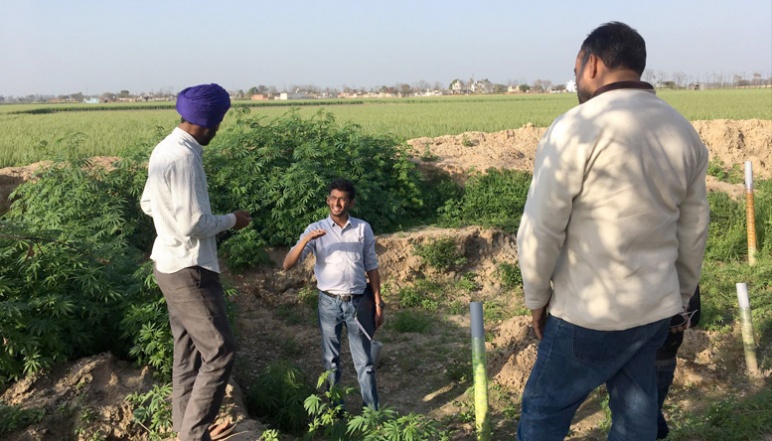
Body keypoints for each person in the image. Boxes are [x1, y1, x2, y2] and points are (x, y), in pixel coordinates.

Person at [515, 22, 709, 440]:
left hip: (587, 313)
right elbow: (693, 232)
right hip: (652, 312)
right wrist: (677, 298)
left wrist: (536, 298)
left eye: (576, 68)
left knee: (543, 412)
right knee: (635, 419)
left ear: (593, 64)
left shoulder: (574, 128)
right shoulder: (682, 131)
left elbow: (540, 229)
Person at [140, 83, 252, 441]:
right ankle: (193, 435)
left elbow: (147, 204)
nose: (217, 130)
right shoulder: (186, 157)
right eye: (217, 123)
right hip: (190, 269)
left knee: (187, 352)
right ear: (207, 122)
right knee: (220, 350)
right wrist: (233, 219)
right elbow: (194, 224)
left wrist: (168, 222)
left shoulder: (163, 149)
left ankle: (184, 430)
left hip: (167, 264)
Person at [282, 179, 384, 410]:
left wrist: (378, 304)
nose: (337, 203)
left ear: (351, 202)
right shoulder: (315, 229)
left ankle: (372, 413)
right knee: (331, 361)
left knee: (365, 362)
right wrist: (307, 240)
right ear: (328, 200)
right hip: (329, 304)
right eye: (333, 198)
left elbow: (372, 267)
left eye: (342, 199)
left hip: (358, 303)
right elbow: (287, 264)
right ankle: (336, 412)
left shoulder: (362, 228)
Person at [656, 286, 701, 440]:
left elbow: (693, 315)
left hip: (662, 356)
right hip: (632, 356)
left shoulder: (677, 269)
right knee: (642, 412)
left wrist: (678, 319)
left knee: (646, 411)